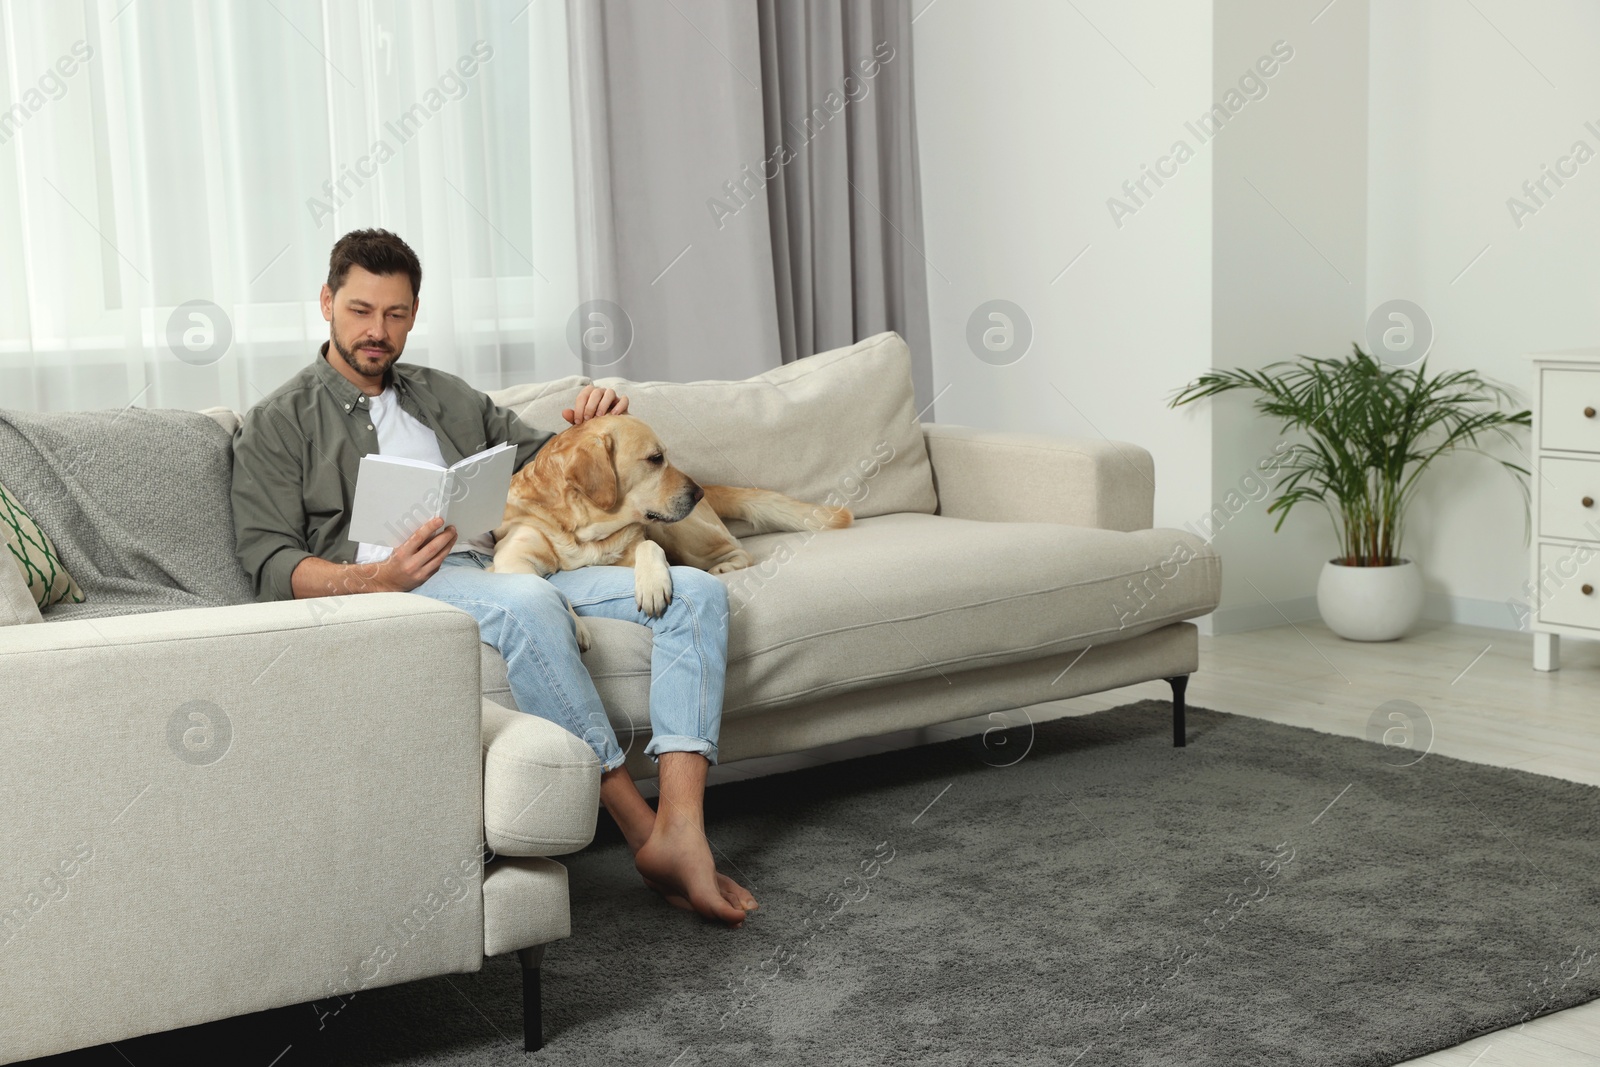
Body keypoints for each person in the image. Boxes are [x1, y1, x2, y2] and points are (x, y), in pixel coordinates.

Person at [230, 228, 755, 926]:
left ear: (414, 313)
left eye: (394, 314)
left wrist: (586, 426)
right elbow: (271, 564)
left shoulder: (445, 395)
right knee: (527, 603)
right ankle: (640, 829)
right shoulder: (278, 422)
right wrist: (379, 576)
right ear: (326, 302)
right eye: (359, 310)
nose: (376, 331)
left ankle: (682, 825)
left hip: (502, 560)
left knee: (696, 592)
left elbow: (543, 457)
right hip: (398, 584)